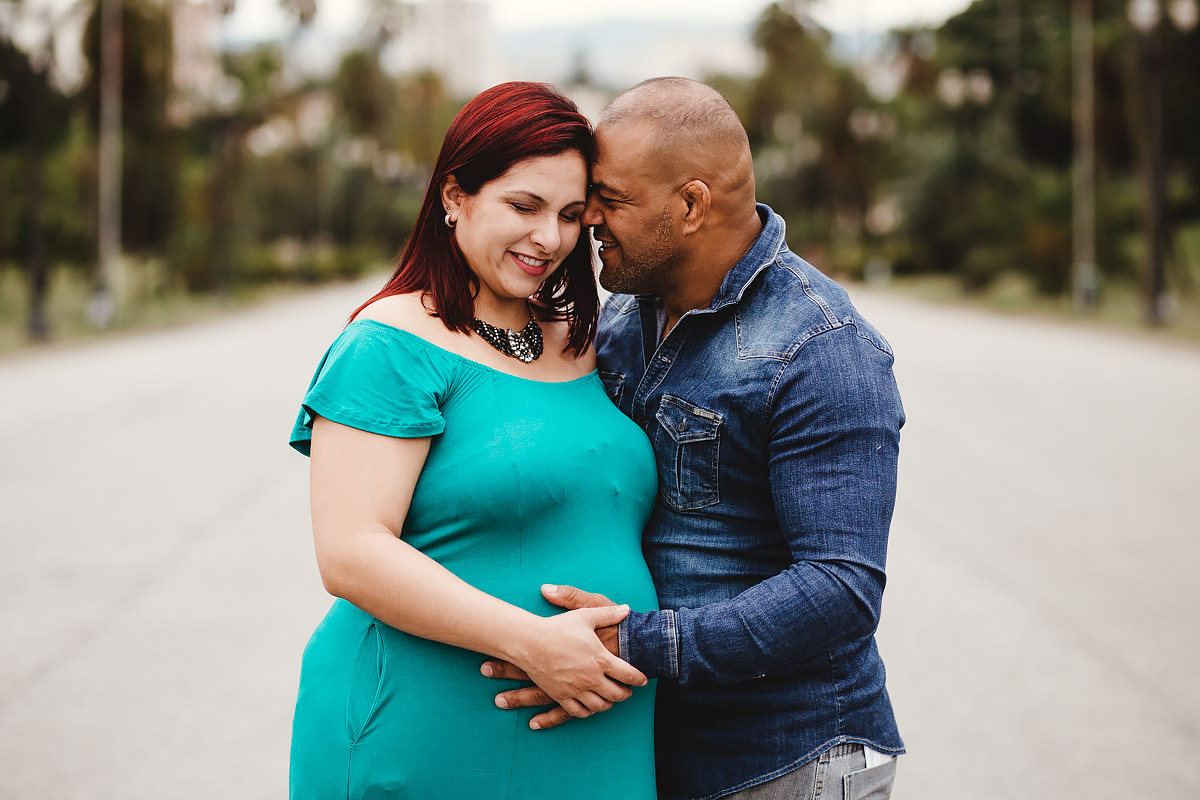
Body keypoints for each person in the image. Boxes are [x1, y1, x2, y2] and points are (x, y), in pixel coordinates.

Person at [486, 77, 906, 800]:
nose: (586, 217)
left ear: (691, 204)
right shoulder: (622, 318)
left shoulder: (820, 347)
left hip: (791, 761)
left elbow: (842, 588)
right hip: (656, 753)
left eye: (610, 199)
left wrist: (636, 643)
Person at [285, 81, 660, 799]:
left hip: (596, 742)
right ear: (454, 197)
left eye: (571, 215)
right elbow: (351, 553)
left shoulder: (588, 342)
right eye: (523, 206)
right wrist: (536, 644)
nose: (548, 238)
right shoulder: (388, 345)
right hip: (427, 734)